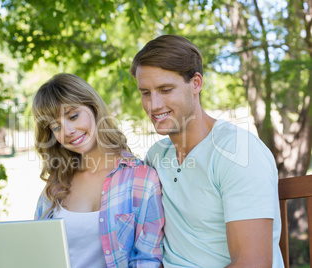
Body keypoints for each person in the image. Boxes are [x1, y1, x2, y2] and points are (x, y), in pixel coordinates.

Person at [130, 35, 283, 267]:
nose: (154, 104)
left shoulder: (239, 153)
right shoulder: (157, 156)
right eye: (145, 92)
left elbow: (253, 262)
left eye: (165, 89)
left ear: (196, 83)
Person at [32, 73, 164, 268]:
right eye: (56, 126)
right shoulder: (56, 183)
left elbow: (148, 258)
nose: (68, 131)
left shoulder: (142, 179)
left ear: (94, 109)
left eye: (73, 116)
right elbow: (37, 249)